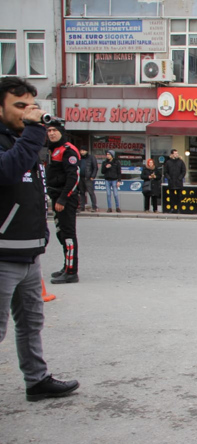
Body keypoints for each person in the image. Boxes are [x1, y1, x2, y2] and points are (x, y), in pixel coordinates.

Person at [0, 76, 80, 401]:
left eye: (32, 106)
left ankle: (36, 381)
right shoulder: (24, 141)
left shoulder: (24, 141)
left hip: (28, 254)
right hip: (3, 255)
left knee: (31, 324)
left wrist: (41, 235)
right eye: (19, 106)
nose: (28, 112)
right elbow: (8, 171)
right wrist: (33, 130)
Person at [45, 121, 81, 284]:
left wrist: (63, 199)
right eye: (49, 130)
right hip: (56, 196)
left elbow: (74, 178)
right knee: (61, 234)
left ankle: (71, 272)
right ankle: (67, 266)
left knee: (68, 235)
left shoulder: (68, 150)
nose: (51, 133)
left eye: (54, 130)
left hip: (66, 198)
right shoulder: (54, 149)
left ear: (61, 132)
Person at [164, 149, 186, 213]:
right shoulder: (168, 162)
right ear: (172, 154)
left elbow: (184, 171)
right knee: (172, 196)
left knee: (179, 196)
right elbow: (165, 172)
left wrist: (180, 178)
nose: (177, 154)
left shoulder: (181, 162)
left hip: (178, 182)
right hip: (171, 182)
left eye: (177, 153)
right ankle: (172, 208)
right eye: (175, 153)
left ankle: (178, 208)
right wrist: (169, 178)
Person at [78, 146, 98, 212]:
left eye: (83, 151)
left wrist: (93, 176)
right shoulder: (79, 158)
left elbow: (95, 167)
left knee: (91, 192)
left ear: (86, 151)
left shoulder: (91, 157)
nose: (82, 152)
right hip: (80, 178)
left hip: (88, 178)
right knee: (82, 193)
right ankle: (82, 207)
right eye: (81, 151)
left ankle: (94, 207)